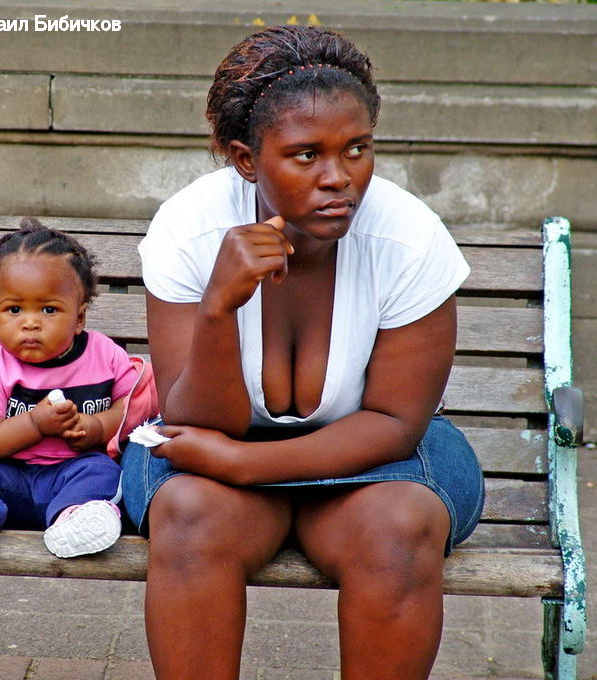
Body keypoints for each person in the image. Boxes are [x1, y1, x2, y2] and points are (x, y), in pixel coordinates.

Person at [121, 25, 485, 680]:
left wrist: (244, 464)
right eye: (306, 155)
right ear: (246, 158)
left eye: (357, 149)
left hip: (374, 460)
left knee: (398, 533)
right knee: (189, 518)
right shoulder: (189, 230)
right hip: (214, 458)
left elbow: (396, 425)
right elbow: (203, 423)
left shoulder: (408, 239)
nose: (338, 178)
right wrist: (217, 308)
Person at [0, 218, 154, 561]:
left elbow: (135, 405)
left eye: (49, 309)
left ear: (78, 318)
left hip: (70, 475)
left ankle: (77, 521)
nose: (30, 322)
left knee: (104, 472)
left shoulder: (104, 355)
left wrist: (96, 428)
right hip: (6, 479)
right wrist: (34, 425)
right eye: (14, 309)